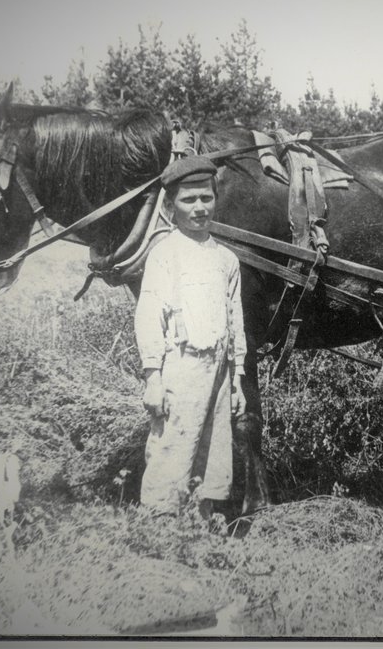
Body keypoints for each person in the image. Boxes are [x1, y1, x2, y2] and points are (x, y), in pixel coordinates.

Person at [134, 155, 246, 518]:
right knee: (173, 445)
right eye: (188, 200)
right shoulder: (165, 254)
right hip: (180, 366)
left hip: (219, 369)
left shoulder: (226, 259)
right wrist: (153, 376)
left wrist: (238, 379)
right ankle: (161, 525)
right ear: (170, 206)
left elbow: (235, 319)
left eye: (206, 198)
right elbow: (149, 314)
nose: (199, 208)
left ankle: (201, 520)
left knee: (213, 446)